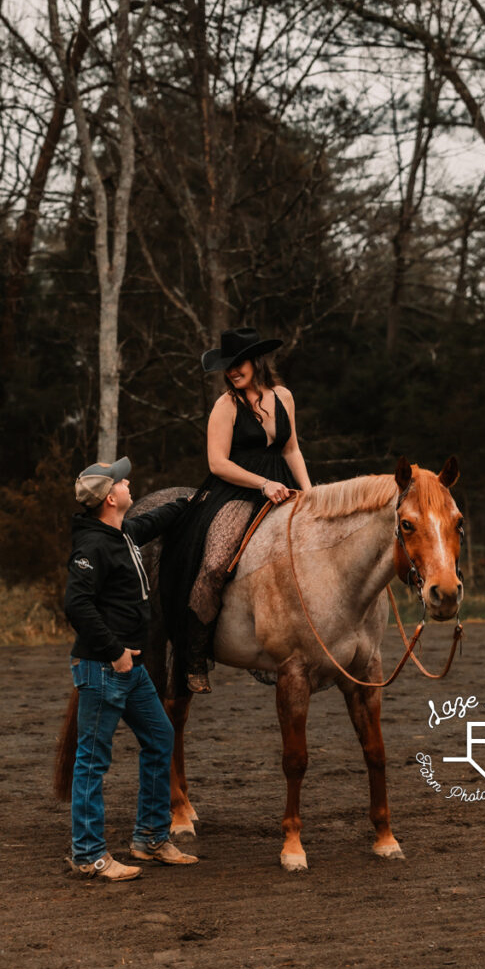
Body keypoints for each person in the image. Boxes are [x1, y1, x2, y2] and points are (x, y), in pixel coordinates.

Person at [64, 455, 199, 881]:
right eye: (121, 483)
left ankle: (150, 838)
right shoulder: (92, 546)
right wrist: (114, 651)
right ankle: (88, 854)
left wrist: (198, 498)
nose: (128, 484)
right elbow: (77, 605)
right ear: (109, 498)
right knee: (91, 762)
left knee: (160, 737)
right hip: (105, 668)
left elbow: (159, 517)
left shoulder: (124, 533)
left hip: (131, 671)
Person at [160, 327, 312, 694]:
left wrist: (309, 493)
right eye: (227, 366)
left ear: (256, 361)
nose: (232, 371)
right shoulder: (226, 406)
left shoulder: (284, 397)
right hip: (238, 490)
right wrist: (262, 483)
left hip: (283, 486)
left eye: (237, 363)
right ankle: (192, 655)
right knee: (214, 565)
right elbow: (217, 463)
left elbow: (290, 449)